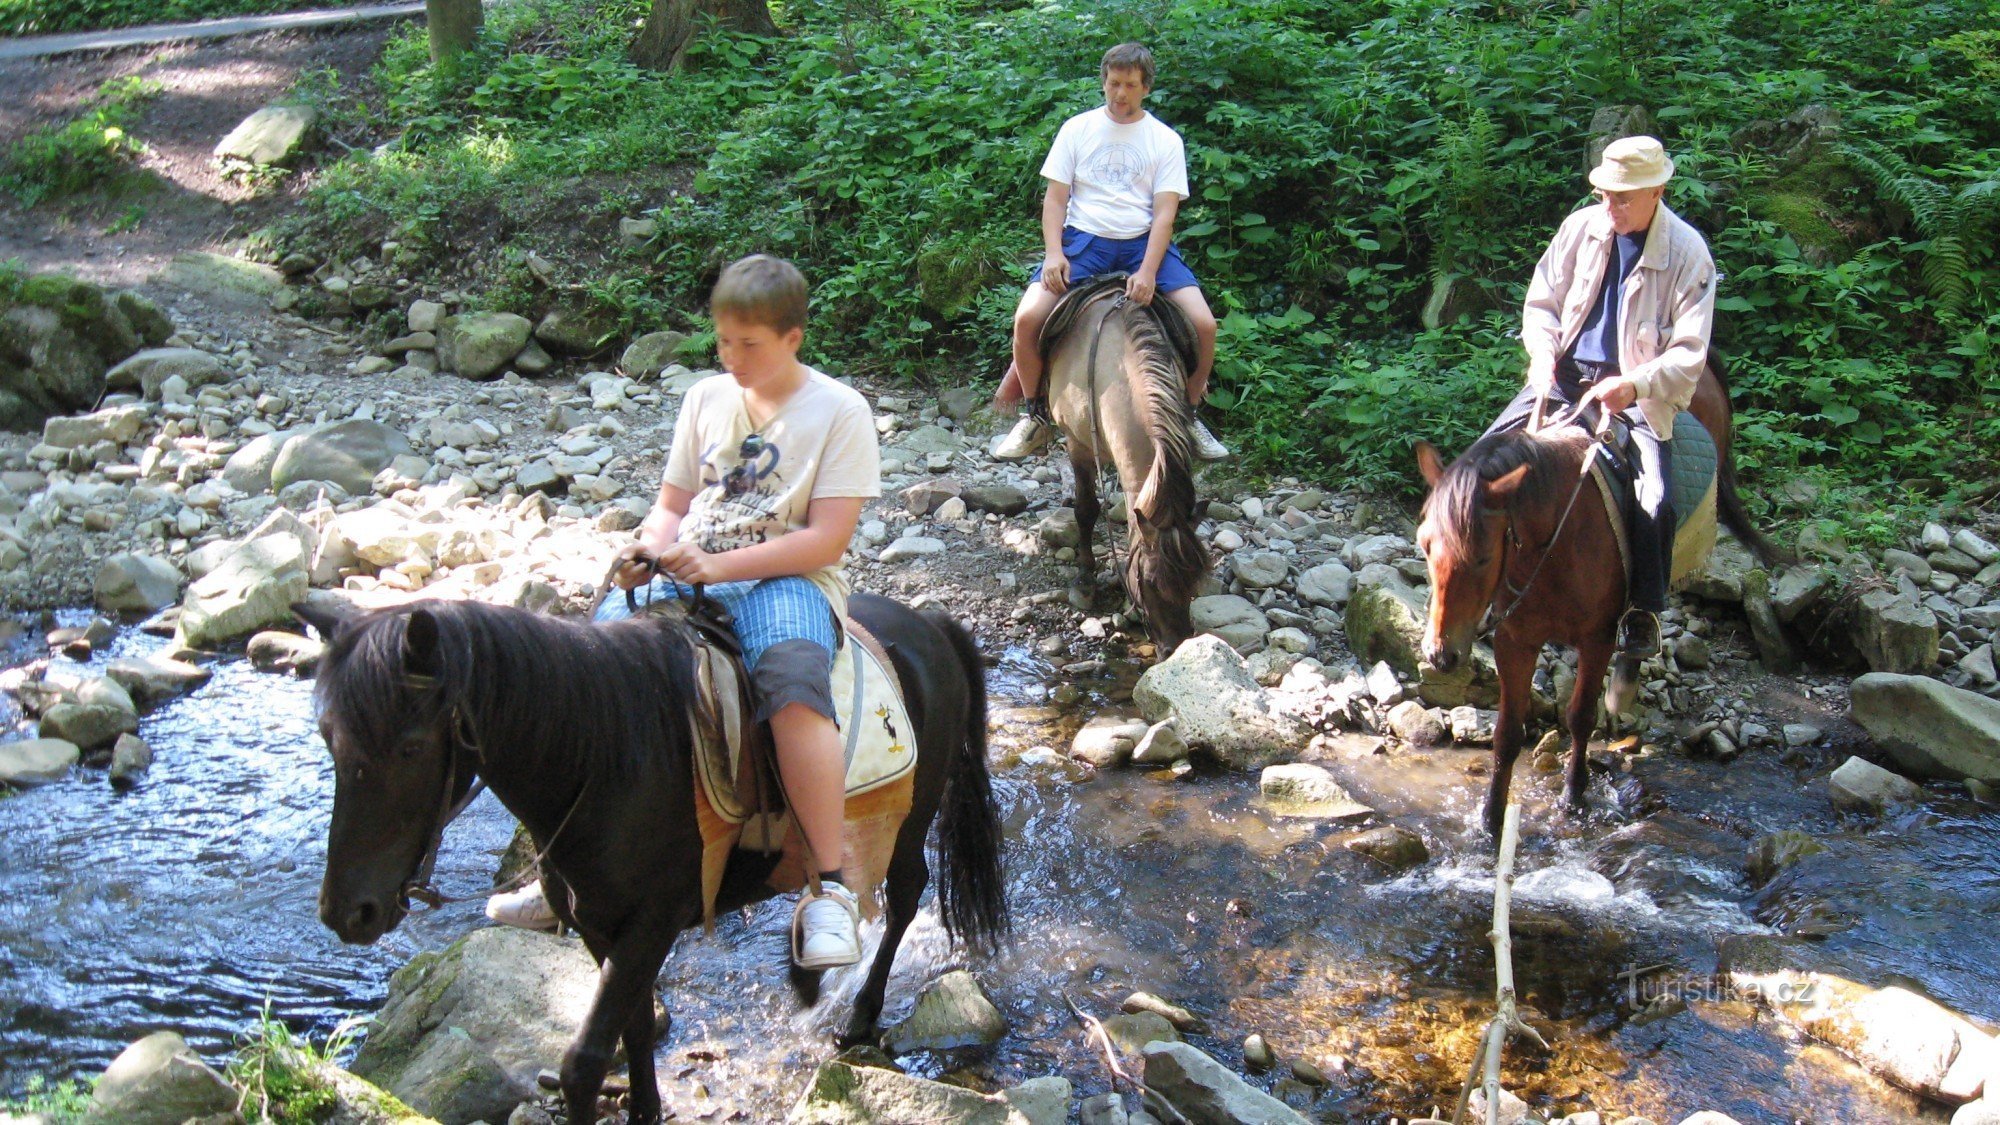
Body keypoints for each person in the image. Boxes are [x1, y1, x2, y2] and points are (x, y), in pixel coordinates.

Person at [487, 255, 883, 970]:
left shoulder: (840, 411)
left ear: (794, 337)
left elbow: (828, 537)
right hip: (691, 567)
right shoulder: (705, 397)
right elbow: (673, 505)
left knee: (792, 688)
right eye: (723, 341)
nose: (731, 358)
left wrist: (722, 566)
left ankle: (830, 887)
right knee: (583, 677)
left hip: (788, 579)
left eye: (749, 344)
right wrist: (647, 548)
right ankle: (559, 871)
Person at [1479, 135, 1717, 658]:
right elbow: (1541, 301)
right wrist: (1541, 356)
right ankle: (1478, 585)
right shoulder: (1580, 228)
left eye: (1622, 197)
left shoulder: (1688, 253)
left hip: (1636, 394)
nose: (1609, 206)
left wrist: (1634, 383)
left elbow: (1690, 352)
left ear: (1657, 191)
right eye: (1604, 194)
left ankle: (1642, 612)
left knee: (1654, 498)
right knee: (1479, 463)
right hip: (1562, 377)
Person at [991, 41, 1228, 463]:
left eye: (1130, 85)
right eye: (1113, 83)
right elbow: (1055, 200)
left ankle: (1190, 415)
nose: (1120, 94)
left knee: (1204, 325)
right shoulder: (1077, 129)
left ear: (1146, 88)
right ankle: (1036, 416)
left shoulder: (1164, 140)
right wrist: (1052, 254)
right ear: (1103, 81)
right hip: (1084, 242)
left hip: (1142, 242)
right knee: (1027, 317)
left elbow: (1164, 214)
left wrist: (1149, 270)